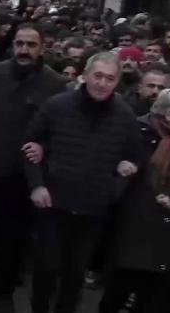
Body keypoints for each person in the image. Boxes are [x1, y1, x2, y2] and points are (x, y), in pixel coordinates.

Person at [23, 52, 141, 313]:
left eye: (109, 79)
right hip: (53, 203)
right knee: (47, 267)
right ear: (85, 76)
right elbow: (29, 145)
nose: (102, 83)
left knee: (75, 272)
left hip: (93, 210)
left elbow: (134, 159)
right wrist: (37, 185)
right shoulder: (57, 105)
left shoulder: (125, 117)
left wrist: (114, 190)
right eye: (97, 76)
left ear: (117, 82)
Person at [0, 23, 68, 313]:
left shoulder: (54, 84)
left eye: (31, 45)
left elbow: (60, 131)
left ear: (42, 48)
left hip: (26, 177)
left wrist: (45, 149)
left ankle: (4, 295)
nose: (24, 50)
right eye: (19, 44)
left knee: (15, 240)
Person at [99, 89, 170, 313]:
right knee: (120, 289)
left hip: (166, 229)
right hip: (135, 226)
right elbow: (125, 170)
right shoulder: (137, 134)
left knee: (151, 296)